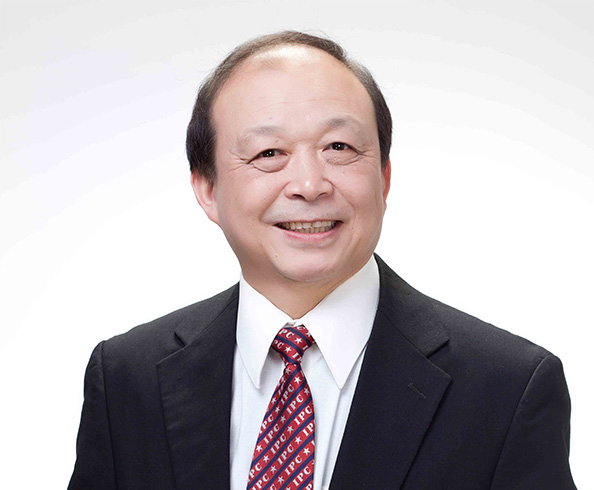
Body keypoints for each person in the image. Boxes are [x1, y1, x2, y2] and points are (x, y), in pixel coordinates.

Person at [68, 31, 576, 490]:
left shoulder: (508, 389)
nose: (310, 185)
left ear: (383, 178)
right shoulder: (126, 379)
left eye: (339, 147)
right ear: (207, 189)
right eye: (269, 153)